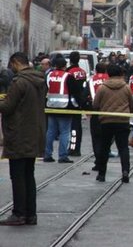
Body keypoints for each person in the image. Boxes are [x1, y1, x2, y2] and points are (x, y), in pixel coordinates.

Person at [0, 52, 47, 226]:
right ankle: (30, 214)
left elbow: (8, 107)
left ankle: (19, 213)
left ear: (15, 63)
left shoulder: (19, 82)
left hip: (19, 133)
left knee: (18, 175)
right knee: (28, 174)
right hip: (34, 132)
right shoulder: (39, 80)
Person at [92, 64, 133, 183]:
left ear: (108, 74)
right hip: (122, 121)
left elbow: (95, 105)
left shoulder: (102, 88)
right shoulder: (126, 87)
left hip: (106, 121)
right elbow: (132, 104)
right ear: (120, 74)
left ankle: (101, 174)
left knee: (104, 148)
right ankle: (125, 171)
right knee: (123, 148)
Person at [44, 56, 79, 163]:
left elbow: (45, 89)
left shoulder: (49, 75)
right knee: (64, 132)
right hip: (64, 107)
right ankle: (62, 156)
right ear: (65, 66)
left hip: (51, 106)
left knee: (50, 132)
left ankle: (47, 155)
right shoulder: (68, 76)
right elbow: (75, 91)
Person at [83, 61, 110, 171]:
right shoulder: (110, 79)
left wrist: (87, 109)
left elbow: (84, 96)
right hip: (109, 112)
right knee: (106, 138)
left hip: (95, 112)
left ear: (95, 70)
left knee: (96, 138)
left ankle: (98, 161)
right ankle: (104, 160)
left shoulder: (90, 80)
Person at [67, 51, 88, 157]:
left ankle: (73, 148)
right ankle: (77, 147)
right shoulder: (83, 72)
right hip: (80, 102)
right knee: (77, 127)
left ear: (70, 60)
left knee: (72, 128)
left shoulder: (69, 72)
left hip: (71, 102)